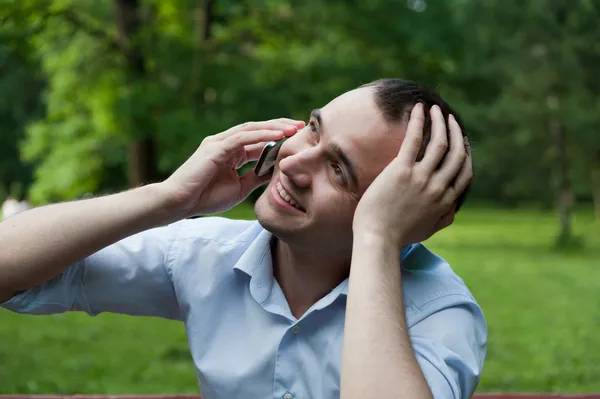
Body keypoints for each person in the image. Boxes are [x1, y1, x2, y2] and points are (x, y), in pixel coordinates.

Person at [0, 78, 486, 399]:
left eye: (338, 170)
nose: (294, 164)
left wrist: (378, 237)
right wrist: (168, 199)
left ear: (408, 215)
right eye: (313, 131)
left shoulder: (441, 314)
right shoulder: (208, 254)